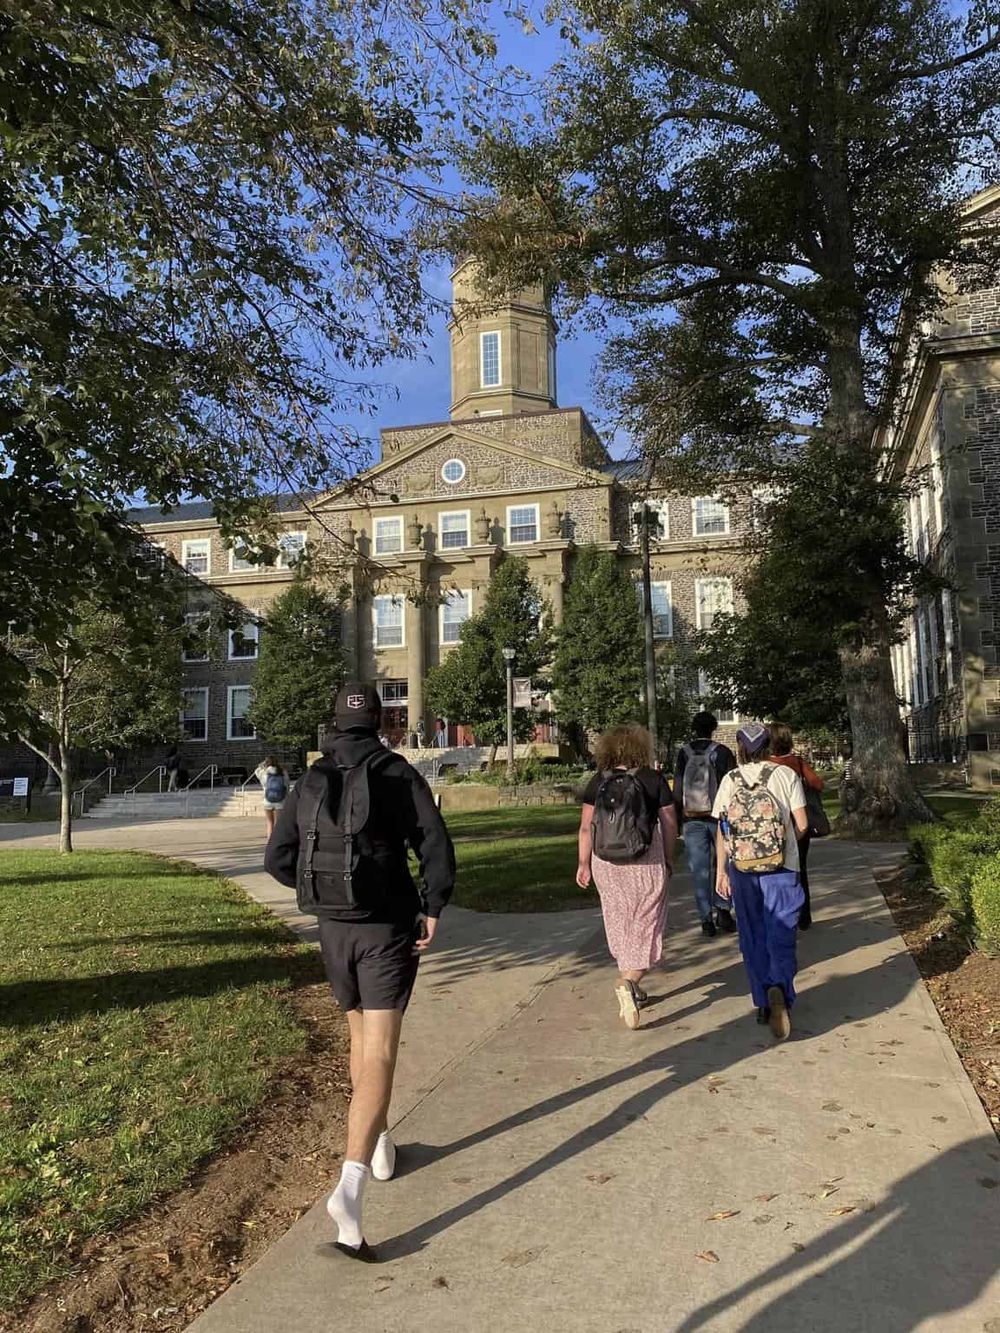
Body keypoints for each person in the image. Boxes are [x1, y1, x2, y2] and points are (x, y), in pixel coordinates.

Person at [265, 681, 455, 1260]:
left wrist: (321, 895)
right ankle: (350, 1187)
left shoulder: (311, 779)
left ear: (333, 722)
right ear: (379, 721)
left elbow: (278, 858)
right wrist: (433, 903)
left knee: (357, 1037)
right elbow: (434, 844)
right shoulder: (397, 772)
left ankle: (376, 1142)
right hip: (386, 927)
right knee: (381, 1052)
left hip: (333, 929)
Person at [577, 725, 678, 1031]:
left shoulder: (599, 780)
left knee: (619, 919)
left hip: (605, 862)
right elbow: (670, 823)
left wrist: (583, 863)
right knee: (648, 922)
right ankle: (628, 980)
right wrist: (670, 857)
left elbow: (585, 828)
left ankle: (633, 990)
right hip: (645, 860)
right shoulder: (652, 778)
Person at [712, 722, 808, 1041]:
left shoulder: (730, 780)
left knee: (751, 932)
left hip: (742, 867)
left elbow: (723, 830)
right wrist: (786, 845)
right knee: (781, 927)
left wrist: (721, 871)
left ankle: (762, 998)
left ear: (739, 748)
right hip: (782, 865)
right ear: (769, 745)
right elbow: (803, 824)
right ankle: (781, 986)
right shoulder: (785, 775)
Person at [674, 711, 736, 937]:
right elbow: (732, 785)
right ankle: (723, 910)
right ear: (714, 728)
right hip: (719, 818)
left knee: (699, 870)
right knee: (724, 865)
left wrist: (678, 817)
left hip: (692, 818)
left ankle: (705, 918)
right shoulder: (722, 752)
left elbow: (678, 787)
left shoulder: (684, 753)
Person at [768, 721, 824, 930]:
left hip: (773, 826)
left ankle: (781, 914)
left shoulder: (765, 764)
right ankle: (804, 916)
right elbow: (818, 784)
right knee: (800, 870)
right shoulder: (797, 762)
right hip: (799, 824)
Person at [255, 755, 289, 842]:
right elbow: (287, 786)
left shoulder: (263, 773)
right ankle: (277, 841)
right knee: (278, 823)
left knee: (269, 822)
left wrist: (262, 765)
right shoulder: (282, 772)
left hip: (267, 800)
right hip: (280, 800)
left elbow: (256, 771)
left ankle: (270, 841)